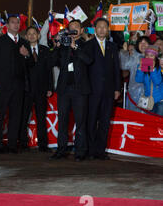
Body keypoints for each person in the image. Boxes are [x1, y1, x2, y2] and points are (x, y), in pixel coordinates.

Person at [48, 19, 92, 161]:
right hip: (64, 89)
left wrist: (75, 47)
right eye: (71, 28)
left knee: (80, 122)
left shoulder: (86, 45)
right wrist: (57, 45)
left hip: (80, 90)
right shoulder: (63, 45)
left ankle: (80, 152)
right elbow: (52, 61)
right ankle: (61, 150)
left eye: (76, 27)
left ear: (81, 29)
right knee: (63, 121)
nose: (73, 30)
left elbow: (88, 60)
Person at [0, 14, 33, 154]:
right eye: (12, 22)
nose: (15, 25)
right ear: (7, 26)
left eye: (17, 23)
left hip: (19, 85)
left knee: (16, 115)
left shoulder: (24, 43)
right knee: (0, 115)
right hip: (1, 85)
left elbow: (31, 64)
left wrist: (27, 55)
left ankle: (12, 144)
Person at [85, 18, 121, 161]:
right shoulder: (88, 46)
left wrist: (117, 88)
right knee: (91, 120)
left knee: (105, 122)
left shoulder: (113, 46)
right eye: (99, 27)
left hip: (108, 90)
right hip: (92, 91)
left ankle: (101, 151)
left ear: (107, 30)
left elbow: (116, 70)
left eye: (104, 27)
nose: (101, 29)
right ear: (95, 29)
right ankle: (91, 150)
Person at [19, 26, 53, 153]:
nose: (32, 36)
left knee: (41, 118)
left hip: (41, 89)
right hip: (26, 90)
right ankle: (23, 143)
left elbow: (49, 70)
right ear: (26, 37)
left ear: (38, 36)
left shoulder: (45, 50)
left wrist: (50, 87)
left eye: (34, 33)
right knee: (24, 117)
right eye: (29, 34)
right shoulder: (22, 50)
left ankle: (43, 144)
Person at [119, 36, 150, 112]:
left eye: (145, 43)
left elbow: (145, 78)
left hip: (147, 94)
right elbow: (123, 65)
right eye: (141, 43)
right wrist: (124, 51)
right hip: (133, 94)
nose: (143, 45)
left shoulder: (151, 58)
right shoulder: (134, 56)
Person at [135, 46, 163, 115]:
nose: (148, 57)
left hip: (160, 100)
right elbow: (138, 80)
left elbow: (157, 82)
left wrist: (153, 70)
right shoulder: (142, 65)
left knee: (158, 122)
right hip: (148, 99)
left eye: (151, 56)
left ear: (155, 57)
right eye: (147, 55)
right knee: (149, 121)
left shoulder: (159, 67)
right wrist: (140, 69)